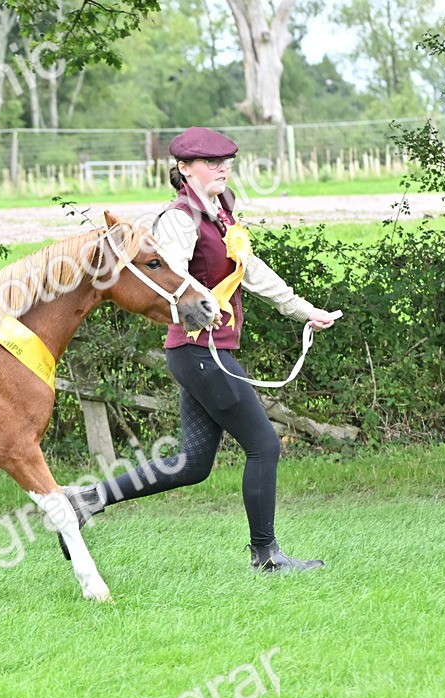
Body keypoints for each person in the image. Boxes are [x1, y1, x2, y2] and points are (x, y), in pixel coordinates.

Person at [59, 127, 339, 572]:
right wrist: (197, 309)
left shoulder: (220, 216)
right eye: (211, 162)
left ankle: (87, 498)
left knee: (193, 463)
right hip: (201, 351)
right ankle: (266, 556)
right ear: (185, 169)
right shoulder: (181, 220)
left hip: (200, 352)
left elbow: (251, 271)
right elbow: (167, 275)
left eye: (226, 160)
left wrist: (303, 309)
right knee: (264, 445)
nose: (222, 167)